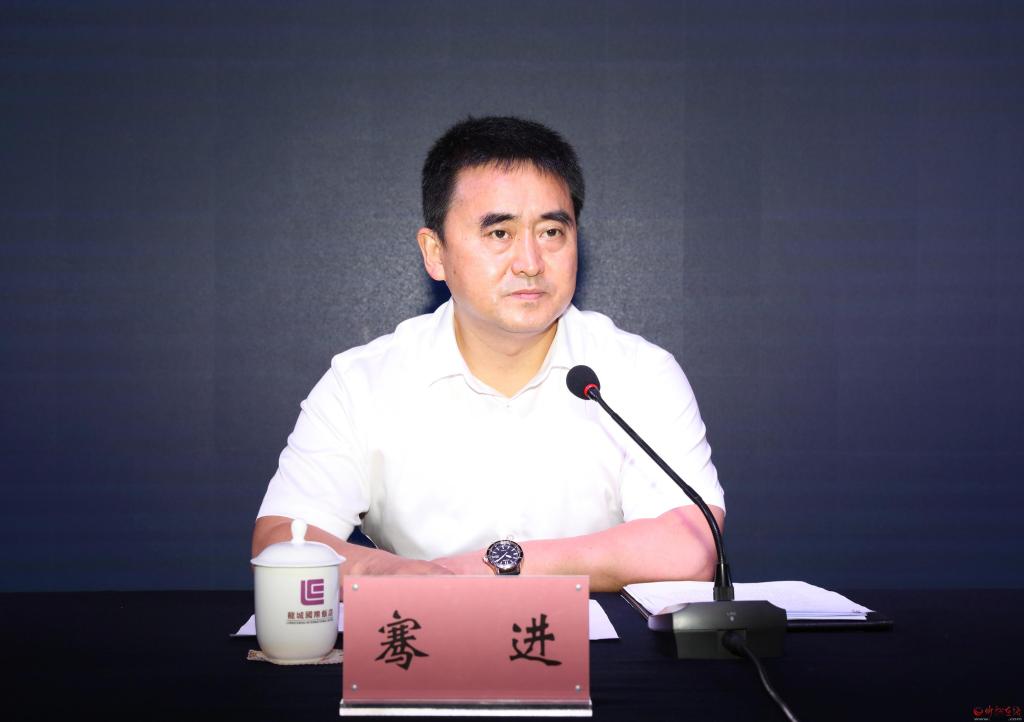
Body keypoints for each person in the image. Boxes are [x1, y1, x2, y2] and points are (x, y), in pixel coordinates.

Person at [252, 116, 725, 591]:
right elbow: (283, 540)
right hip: (422, 633)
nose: (530, 263)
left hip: (595, 640)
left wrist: (493, 567)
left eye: (551, 232)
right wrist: (411, 581)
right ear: (434, 253)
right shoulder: (362, 383)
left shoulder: (638, 373)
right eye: (500, 234)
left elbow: (691, 545)